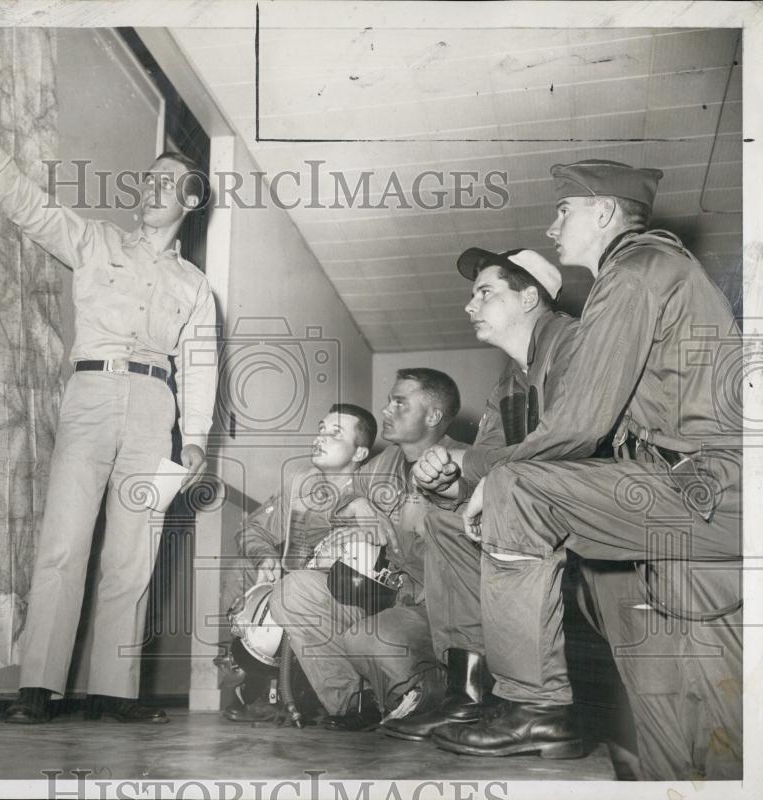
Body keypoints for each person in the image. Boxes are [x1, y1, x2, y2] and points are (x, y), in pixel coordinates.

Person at [428, 159, 742, 779]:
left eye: (564, 211)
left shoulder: (634, 273)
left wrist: (485, 474)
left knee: (517, 490)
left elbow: (577, 427)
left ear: (603, 213)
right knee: (683, 734)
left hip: (706, 489)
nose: (552, 226)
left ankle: (533, 706)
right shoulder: (652, 272)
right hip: (687, 496)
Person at [0, 112, 218, 724]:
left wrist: (196, 437)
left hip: (157, 410)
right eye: (147, 180)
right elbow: (35, 211)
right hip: (92, 395)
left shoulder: (196, 286)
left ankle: (114, 693)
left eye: (166, 182)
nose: (151, 189)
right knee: (64, 544)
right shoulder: (96, 241)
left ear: (190, 200)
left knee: (133, 556)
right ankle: (38, 688)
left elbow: (201, 361)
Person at [384, 248, 578, 743]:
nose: (470, 307)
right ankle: (465, 698)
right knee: (442, 517)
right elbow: (483, 464)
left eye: (485, 293)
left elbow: (567, 443)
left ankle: (533, 704)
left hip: (590, 503)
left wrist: (465, 467)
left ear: (530, 296)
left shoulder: (573, 345)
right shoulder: (509, 382)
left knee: (502, 502)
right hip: (541, 505)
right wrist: (448, 482)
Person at [268, 368, 461, 731]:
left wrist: (387, 526)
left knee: (370, 635)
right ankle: (355, 704)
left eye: (399, 403)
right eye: (389, 401)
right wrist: (358, 504)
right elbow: (347, 494)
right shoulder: (381, 464)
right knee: (295, 590)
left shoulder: (462, 462)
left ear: (433, 416)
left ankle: (435, 698)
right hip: (388, 595)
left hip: (439, 606)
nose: (387, 410)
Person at [221, 403, 378, 723]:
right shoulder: (300, 484)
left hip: (347, 599)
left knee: (301, 590)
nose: (320, 437)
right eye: (321, 429)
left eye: (335, 433)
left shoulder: (373, 490)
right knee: (243, 567)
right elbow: (252, 529)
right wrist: (265, 557)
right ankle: (255, 680)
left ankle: (348, 699)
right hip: (293, 590)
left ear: (360, 453)